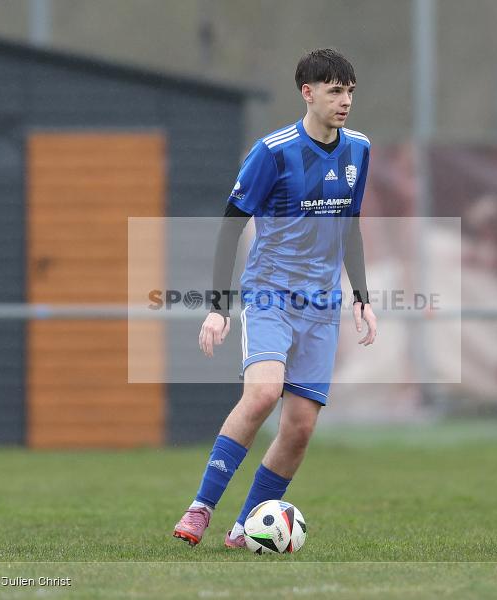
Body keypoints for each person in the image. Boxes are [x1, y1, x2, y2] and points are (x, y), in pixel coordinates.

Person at [172, 48, 376, 549]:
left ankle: (245, 528)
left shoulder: (359, 149)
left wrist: (361, 297)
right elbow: (230, 226)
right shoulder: (273, 151)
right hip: (270, 298)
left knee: (301, 428)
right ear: (307, 93)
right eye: (334, 91)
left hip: (322, 307)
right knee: (263, 393)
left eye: (349, 90)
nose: (345, 100)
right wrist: (219, 308)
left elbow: (349, 225)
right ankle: (200, 507)